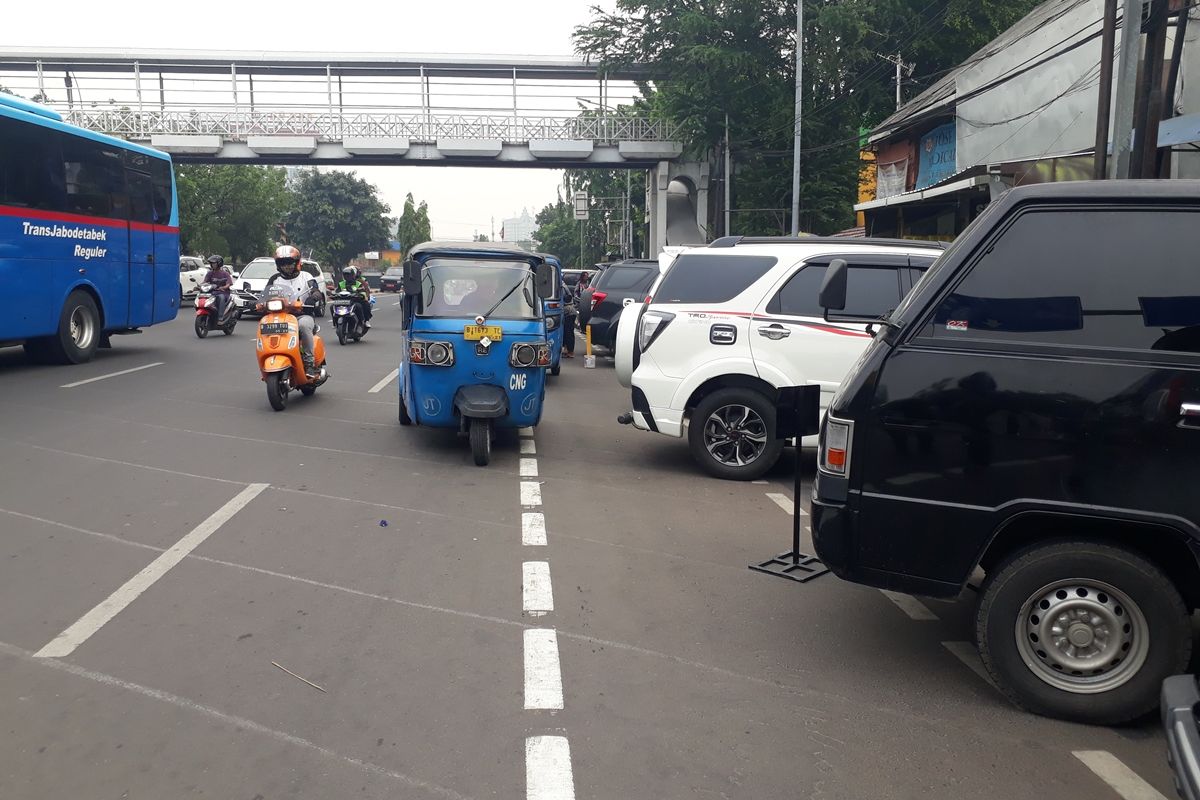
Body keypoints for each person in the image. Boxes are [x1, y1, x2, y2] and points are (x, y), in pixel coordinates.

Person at [265, 245, 319, 375]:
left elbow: (316, 291)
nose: (287, 266)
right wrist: (256, 303)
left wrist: (313, 298)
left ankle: (309, 363)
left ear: (296, 262)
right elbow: (265, 295)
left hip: (302, 315)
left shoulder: (306, 276)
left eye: (290, 263)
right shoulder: (274, 279)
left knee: (304, 326)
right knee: (263, 325)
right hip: (279, 316)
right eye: (283, 263)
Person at [203, 254, 232, 322]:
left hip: (223, 293)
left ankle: (220, 317)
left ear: (219, 263)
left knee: (221, 297)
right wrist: (199, 286)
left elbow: (228, 284)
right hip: (212, 292)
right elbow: (205, 282)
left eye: (214, 263)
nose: (212, 265)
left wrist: (223, 287)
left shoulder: (225, 274)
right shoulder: (210, 273)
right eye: (211, 263)